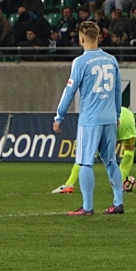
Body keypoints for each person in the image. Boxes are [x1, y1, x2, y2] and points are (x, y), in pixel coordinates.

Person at [52, 21, 126, 216]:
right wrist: (117, 114)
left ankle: (87, 206)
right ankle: (118, 203)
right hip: (110, 118)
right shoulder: (111, 60)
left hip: (90, 119)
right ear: (98, 37)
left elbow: (69, 91)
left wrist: (59, 116)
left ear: (81, 38)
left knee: (85, 161)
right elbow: (118, 91)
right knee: (111, 160)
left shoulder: (81, 62)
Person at [52, 106, 136, 195]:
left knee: (85, 154)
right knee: (129, 152)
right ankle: (120, 184)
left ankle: (69, 184)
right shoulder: (131, 117)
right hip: (127, 119)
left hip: (108, 118)